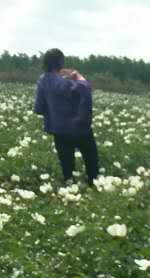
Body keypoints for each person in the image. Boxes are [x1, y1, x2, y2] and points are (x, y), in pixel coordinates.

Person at [34, 48, 99, 186]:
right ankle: (93, 187)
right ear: (61, 63)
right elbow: (85, 89)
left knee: (67, 169)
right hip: (79, 127)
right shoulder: (65, 83)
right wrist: (77, 76)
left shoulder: (42, 81)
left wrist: (54, 112)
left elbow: (38, 108)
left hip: (59, 130)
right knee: (91, 160)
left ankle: (70, 193)